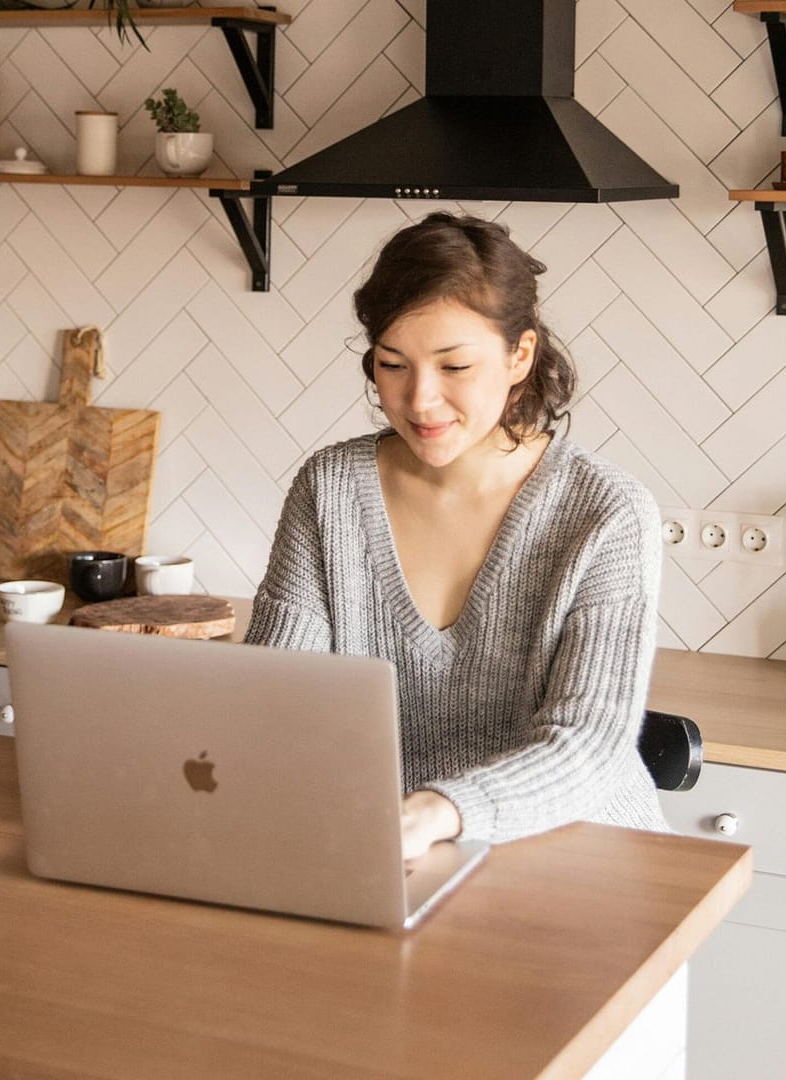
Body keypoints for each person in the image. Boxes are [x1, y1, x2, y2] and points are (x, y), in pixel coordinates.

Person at [244, 211, 669, 859]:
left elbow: (587, 745)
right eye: (392, 364)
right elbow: (279, 700)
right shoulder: (329, 489)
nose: (418, 399)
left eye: (454, 366)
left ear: (518, 355)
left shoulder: (605, 511)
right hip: (385, 849)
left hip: (578, 857)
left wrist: (438, 810)